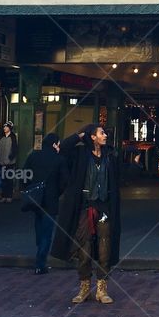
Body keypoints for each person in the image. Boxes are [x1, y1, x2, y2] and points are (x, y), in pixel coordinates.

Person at [52, 124, 122, 305]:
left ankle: (102, 288)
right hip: (84, 207)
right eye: (101, 133)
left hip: (104, 207)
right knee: (84, 248)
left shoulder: (110, 155)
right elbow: (62, 150)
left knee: (105, 248)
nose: (105, 136)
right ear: (92, 137)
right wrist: (79, 135)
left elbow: (118, 177)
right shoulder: (80, 154)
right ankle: (84, 287)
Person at [22, 133, 68, 274]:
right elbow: (64, 180)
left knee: (39, 225)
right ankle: (40, 263)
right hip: (51, 198)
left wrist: (29, 189)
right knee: (47, 232)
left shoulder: (33, 156)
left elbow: (24, 174)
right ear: (54, 144)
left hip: (36, 197)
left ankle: (39, 250)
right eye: (58, 144)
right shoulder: (59, 159)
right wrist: (57, 192)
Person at [0, 121, 19, 203]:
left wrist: (10, 158)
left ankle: (9, 196)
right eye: (4, 127)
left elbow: (15, 149)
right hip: (1, 161)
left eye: (6, 127)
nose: (4, 128)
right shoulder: (1, 137)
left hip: (10, 162)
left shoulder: (13, 137)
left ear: (10, 128)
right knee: (3, 180)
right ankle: (3, 196)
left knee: (9, 180)